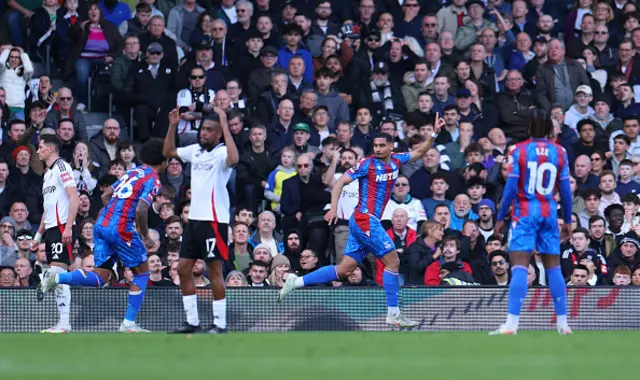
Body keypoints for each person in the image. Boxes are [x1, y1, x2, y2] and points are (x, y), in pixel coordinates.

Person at [279, 113, 447, 328]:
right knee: (393, 261)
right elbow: (339, 183)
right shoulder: (366, 164)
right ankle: (394, 314)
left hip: (362, 222)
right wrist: (333, 208)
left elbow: (420, 152)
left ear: (390, 146)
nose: (376, 149)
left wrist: (433, 133)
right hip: (364, 219)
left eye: (381, 145)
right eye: (375, 145)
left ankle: (297, 281)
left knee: (343, 270)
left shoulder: (397, 159)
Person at [40, 139, 167, 332]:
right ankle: (128, 324)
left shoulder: (132, 173)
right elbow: (141, 210)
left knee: (101, 276)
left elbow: (106, 195)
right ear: (163, 160)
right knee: (143, 273)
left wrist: (114, 213)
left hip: (102, 224)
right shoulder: (153, 179)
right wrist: (146, 236)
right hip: (122, 227)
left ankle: (57, 278)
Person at [491, 110, 573, 335]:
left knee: (519, 266)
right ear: (549, 128)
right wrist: (567, 219)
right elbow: (565, 190)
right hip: (548, 213)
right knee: (553, 267)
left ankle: (511, 324)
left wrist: (500, 217)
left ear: (528, 127)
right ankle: (563, 324)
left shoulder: (518, 150)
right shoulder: (560, 152)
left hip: (524, 213)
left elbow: (510, 187)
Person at [163, 106, 238, 334]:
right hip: (194, 220)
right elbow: (168, 152)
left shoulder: (223, 153)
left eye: (209, 130)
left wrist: (225, 125)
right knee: (184, 269)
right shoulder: (195, 150)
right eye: (203, 129)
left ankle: (219, 323)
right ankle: (192, 322)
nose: (203, 133)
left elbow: (235, 159)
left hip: (214, 221)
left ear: (218, 134)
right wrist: (173, 124)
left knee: (214, 271)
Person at [31, 135, 80, 333]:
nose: (38, 151)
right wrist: (37, 236)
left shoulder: (62, 167)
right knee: (59, 277)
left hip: (62, 227)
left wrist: (68, 227)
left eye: (41, 147)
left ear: (51, 148)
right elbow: (47, 208)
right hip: (51, 228)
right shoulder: (48, 174)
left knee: (58, 274)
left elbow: (74, 198)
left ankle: (64, 323)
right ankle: (63, 323)